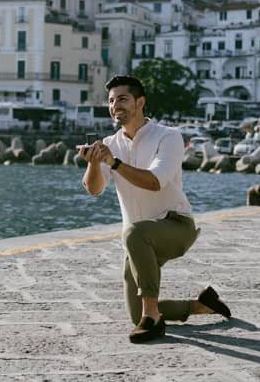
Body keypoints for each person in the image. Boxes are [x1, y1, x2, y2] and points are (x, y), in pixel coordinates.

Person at [79, 75, 231, 343]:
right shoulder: (109, 144)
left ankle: (153, 319)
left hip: (175, 226)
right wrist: (94, 163)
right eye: (112, 101)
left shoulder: (168, 137)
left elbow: (155, 181)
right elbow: (94, 189)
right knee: (133, 312)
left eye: (123, 99)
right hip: (139, 238)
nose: (116, 106)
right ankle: (201, 305)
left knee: (134, 234)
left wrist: (114, 163)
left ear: (141, 102)